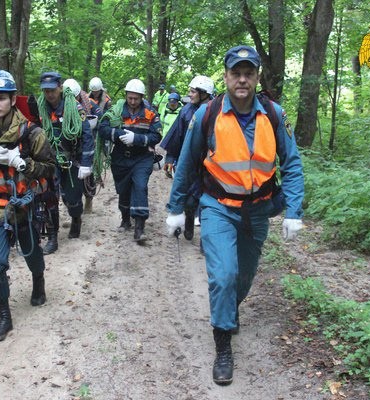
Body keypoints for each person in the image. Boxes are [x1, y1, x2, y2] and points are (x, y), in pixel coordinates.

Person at [165, 45, 305, 385]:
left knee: (243, 277)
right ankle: (223, 345)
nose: (242, 79)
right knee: (224, 275)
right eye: (235, 73)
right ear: (226, 76)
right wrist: (175, 209)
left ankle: (230, 308)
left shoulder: (273, 114)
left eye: (249, 73)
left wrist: (293, 211)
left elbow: (292, 163)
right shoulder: (207, 114)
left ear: (257, 77)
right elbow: (185, 164)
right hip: (217, 207)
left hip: (258, 210)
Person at [0, 70, 56, 342]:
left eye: (2, 98)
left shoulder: (31, 133)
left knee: (31, 255)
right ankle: (4, 317)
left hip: (24, 207)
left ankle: (38, 281)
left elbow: (51, 169)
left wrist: (24, 165)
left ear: (12, 100)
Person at [98, 78, 163, 242]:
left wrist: (138, 139)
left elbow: (157, 135)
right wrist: (119, 135)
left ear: (142, 98)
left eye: (136, 98)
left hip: (142, 158)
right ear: (126, 96)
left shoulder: (150, 114)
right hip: (120, 158)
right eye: (130, 98)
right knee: (123, 190)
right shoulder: (115, 111)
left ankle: (140, 228)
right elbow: (103, 128)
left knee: (140, 187)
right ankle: (125, 219)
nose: (133, 101)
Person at [38, 72, 94, 246]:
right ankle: (52, 235)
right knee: (49, 196)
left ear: (60, 88)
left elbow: (87, 135)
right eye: (46, 91)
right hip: (49, 161)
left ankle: (76, 217)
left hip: (72, 160)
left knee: (72, 197)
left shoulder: (74, 108)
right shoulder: (39, 109)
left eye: (52, 90)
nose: (49, 94)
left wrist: (86, 164)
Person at [160, 75, 214, 240]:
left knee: (209, 204)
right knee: (190, 201)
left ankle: (207, 240)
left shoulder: (217, 111)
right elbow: (177, 135)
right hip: (190, 162)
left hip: (212, 166)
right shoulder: (186, 111)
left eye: (192, 91)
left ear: (204, 93)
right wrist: (170, 157)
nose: (189, 94)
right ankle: (189, 218)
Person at [63, 78, 104, 214]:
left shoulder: (89, 103)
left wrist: (94, 125)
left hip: (86, 142)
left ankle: (89, 198)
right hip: (68, 145)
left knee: (88, 173)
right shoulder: (60, 106)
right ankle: (72, 201)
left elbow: (101, 117)